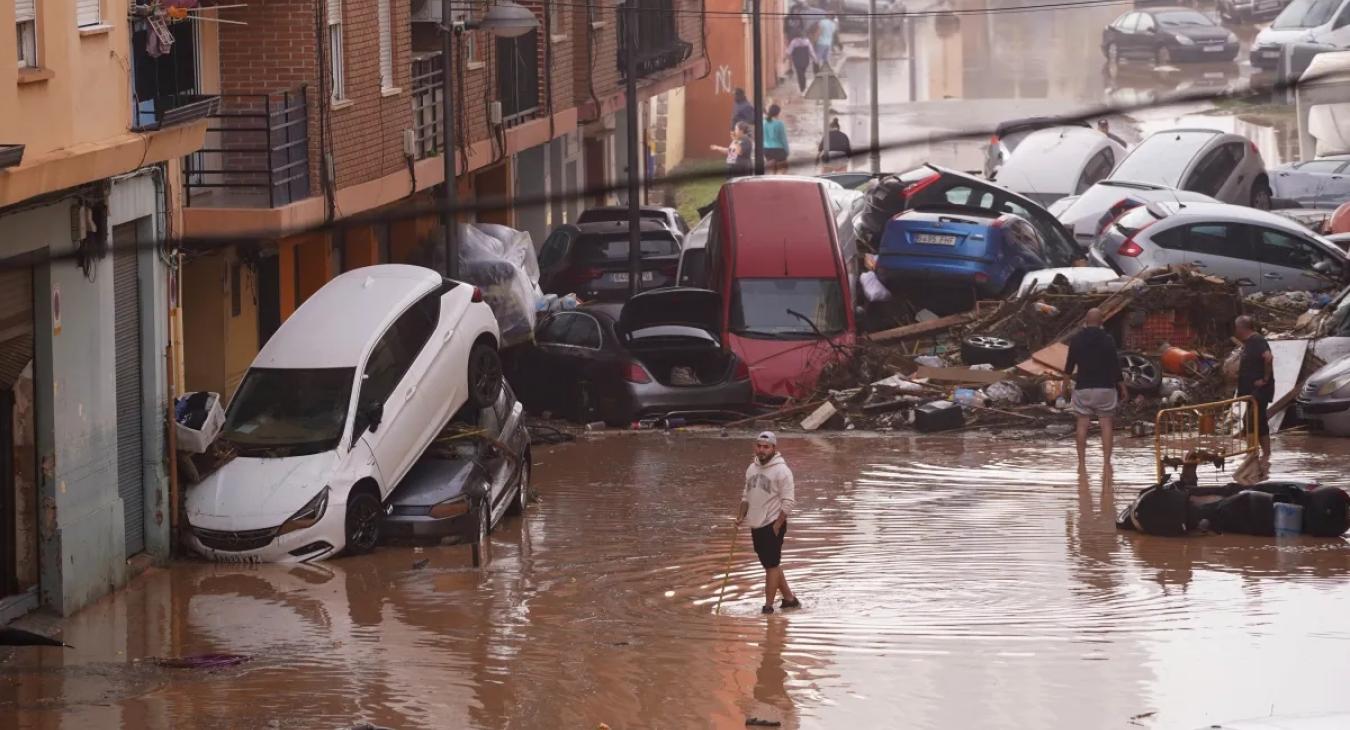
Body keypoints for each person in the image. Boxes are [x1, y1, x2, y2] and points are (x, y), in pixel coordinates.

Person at [735, 431, 800, 615]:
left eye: (766, 447)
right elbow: (745, 496)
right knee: (771, 564)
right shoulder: (751, 469)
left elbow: (789, 502)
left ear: (773, 448)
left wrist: (777, 525)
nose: (761, 450)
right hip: (755, 523)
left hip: (772, 523)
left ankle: (768, 607)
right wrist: (740, 517)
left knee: (771, 565)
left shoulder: (782, 471)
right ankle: (789, 599)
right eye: (759, 446)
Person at [1063, 308, 1128, 477]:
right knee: (1106, 425)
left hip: (1083, 388)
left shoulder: (1077, 340)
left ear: (1085, 320)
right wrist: (1122, 387)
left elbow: (1069, 366)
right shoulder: (1107, 339)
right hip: (1105, 388)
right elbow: (1115, 365)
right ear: (1101, 322)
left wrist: (1064, 388)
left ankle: (1082, 464)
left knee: (1082, 424)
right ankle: (1106, 463)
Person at [1235, 315, 1275, 473]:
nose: (1235, 330)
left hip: (1260, 391)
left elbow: (1268, 358)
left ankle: (1252, 454)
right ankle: (1266, 455)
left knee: (1250, 419)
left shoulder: (1257, 340)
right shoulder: (1249, 343)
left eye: (1236, 327)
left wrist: (1265, 379)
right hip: (1252, 392)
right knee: (1261, 421)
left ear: (1242, 328)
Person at [762, 104, 790, 174]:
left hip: (767, 150)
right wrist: (787, 151)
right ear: (778, 113)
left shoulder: (763, 123)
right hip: (779, 150)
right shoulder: (779, 123)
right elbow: (783, 139)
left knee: (771, 173)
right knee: (783, 173)